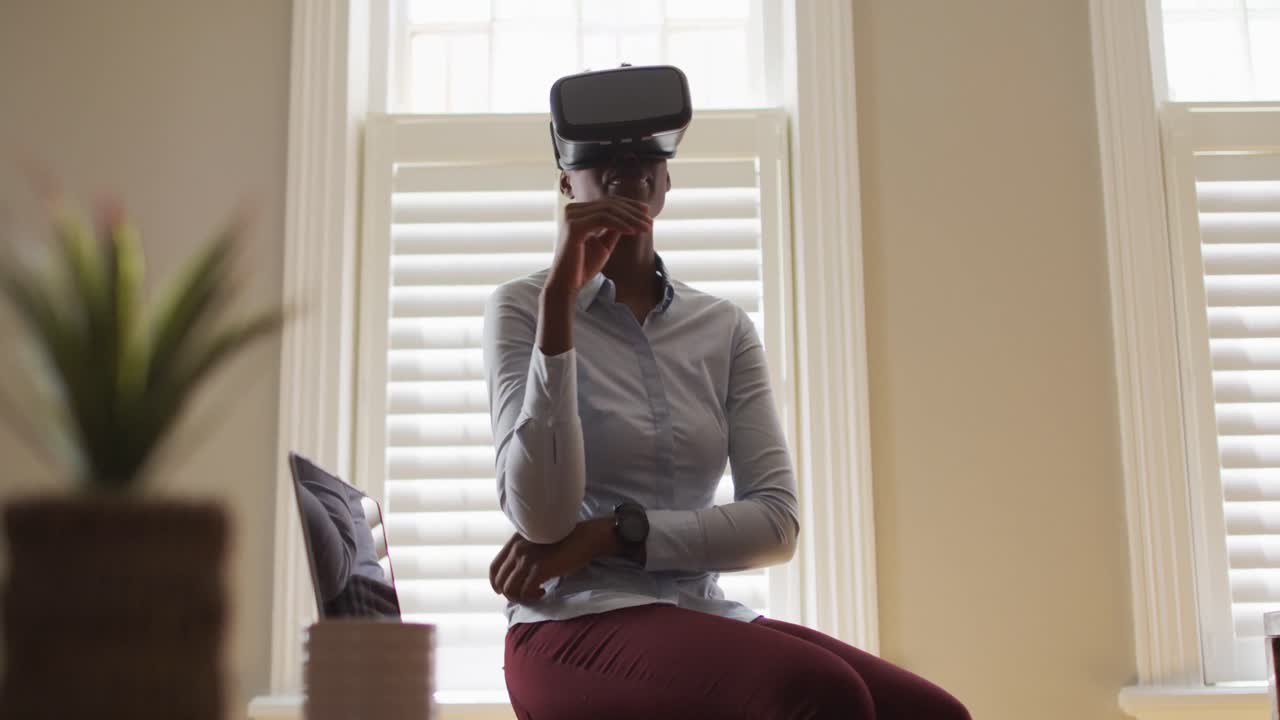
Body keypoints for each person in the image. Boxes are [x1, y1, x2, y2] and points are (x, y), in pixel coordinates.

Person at [482, 76, 970, 720]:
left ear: (667, 179)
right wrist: (560, 307)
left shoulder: (723, 328)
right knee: (823, 695)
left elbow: (776, 524)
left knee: (934, 715)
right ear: (567, 182)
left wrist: (609, 535)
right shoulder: (523, 308)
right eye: (602, 156)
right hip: (570, 623)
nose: (628, 170)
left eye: (646, 155)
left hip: (700, 612)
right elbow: (542, 520)